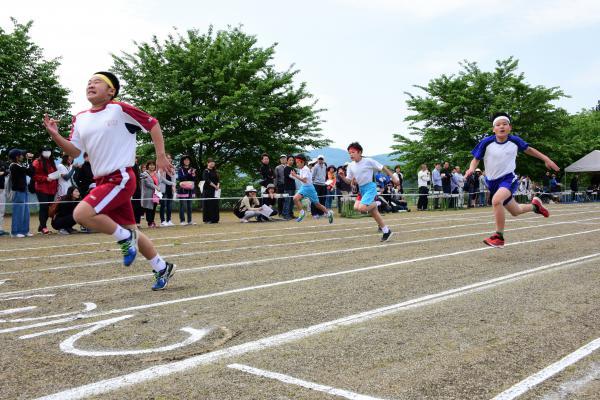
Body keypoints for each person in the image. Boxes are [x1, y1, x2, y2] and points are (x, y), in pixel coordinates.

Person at [43, 71, 175, 290]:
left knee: (81, 214)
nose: (90, 84)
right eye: (88, 82)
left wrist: (160, 155)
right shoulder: (80, 117)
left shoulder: (120, 109)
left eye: (97, 82)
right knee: (132, 230)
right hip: (102, 180)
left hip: (121, 177)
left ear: (111, 91)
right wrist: (56, 136)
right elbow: (75, 151)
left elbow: (153, 123)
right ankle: (162, 266)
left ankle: (125, 238)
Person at [464, 112, 559, 248]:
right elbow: (476, 159)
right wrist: (471, 169)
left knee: (496, 201)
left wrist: (546, 159)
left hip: (508, 178)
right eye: (498, 125)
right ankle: (535, 206)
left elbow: (530, 150)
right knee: (516, 211)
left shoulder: (515, 141)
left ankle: (499, 237)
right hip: (492, 182)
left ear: (510, 127)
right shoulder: (486, 142)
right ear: (493, 129)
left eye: (504, 124)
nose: (501, 127)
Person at [338, 142, 399, 241]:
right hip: (361, 189)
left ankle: (375, 204)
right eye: (349, 153)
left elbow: (383, 168)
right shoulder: (350, 165)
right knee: (357, 208)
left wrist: (393, 178)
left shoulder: (368, 161)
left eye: (353, 152)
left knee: (362, 208)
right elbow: (349, 181)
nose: (351, 155)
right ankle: (386, 231)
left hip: (370, 187)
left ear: (360, 152)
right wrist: (342, 176)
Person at [290, 154, 334, 224]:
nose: (296, 164)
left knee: (317, 204)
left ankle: (328, 213)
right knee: (295, 198)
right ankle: (302, 212)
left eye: (297, 162)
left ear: (302, 162)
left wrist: (295, 175)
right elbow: (303, 180)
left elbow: (304, 180)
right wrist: (295, 176)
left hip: (309, 188)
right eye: (296, 162)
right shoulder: (302, 169)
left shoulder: (305, 169)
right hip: (305, 187)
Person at [7, 149, 35, 238]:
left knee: (26, 212)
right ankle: (15, 232)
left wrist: (29, 161)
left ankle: (24, 230)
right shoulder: (14, 166)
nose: (23, 156)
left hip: (24, 191)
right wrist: (29, 160)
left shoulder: (20, 165)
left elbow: (31, 172)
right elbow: (28, 170)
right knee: (18, 212)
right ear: (17, 157)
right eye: (21, 155)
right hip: (18, 192)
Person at [32, 146, 59, 234]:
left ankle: (41, 226)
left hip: (52, 189)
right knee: (43, 207)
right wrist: (45, 178)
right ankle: (44, 227)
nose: (48, 152)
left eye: (49, 151)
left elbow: (55, 174)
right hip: (42, 188)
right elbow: (34, 176)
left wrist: (57, 177)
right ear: (42, 152)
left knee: (49, 208)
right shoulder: (37, 162)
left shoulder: (51, 162)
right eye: (45, 151)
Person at [177, 155, 196, 225]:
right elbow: (180, 179)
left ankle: (189, 220)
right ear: (183, 161)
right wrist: (188, 173)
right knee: (182, 205)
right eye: (185, 160)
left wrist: (193, 175)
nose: (187, 161)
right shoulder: (180, 169)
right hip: (182, 189)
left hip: (190, 189)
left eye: (188, 160)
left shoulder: (192, 169)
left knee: (189, 205)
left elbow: (193, 180)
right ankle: (182, 221)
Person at [141, 160, 160, 228]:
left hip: (155, 193)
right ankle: (149, 223)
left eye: (153, 165)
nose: (152, 166)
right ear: (148, 166)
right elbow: (148, 183)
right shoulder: (144, 174)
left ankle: (152, 221)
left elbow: (159, 182)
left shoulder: (156, 174)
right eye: (150, 165)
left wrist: (158, 188)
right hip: (148, 194)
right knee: (149, 208)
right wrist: (156, 187)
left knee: (154, 208)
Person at [158, 153, 175, 226]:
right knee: (163, 205)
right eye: (167, 158)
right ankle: (162, 221)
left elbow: (174, 179)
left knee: (169, 205)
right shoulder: (161, 168)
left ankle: (169, 220)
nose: (169, 159)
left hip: (170, 189)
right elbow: (161, 179)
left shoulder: (172, 168)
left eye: (170, 158)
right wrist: (171, 183)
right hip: (163, 189)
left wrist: (173, 186)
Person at [201, 158, 220, 224]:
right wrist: (215, 186)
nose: (212, 163)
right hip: (207, 190)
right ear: (208, 163)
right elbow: (207, 180)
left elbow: (218, 180)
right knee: (208, 204)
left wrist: (217, 186)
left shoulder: (215, 171)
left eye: (213, 162)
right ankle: (208, 219)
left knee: (215, 204)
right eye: (211, 162)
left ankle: (215, 219)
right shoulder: (205, 171)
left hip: (215, 191)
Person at [281, 155, 296, 220]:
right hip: (287, 188)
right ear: (287, 160)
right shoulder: (286, 168)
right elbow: (291, 176)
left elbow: (295, 177)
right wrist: (294, 175)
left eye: (292, 160)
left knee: (292, 202)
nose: (291, 161)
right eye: (290, 160)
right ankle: (285, 214)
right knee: (287, 201)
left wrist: (294, 175)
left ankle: (290, 214)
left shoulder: (293, 169)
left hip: (293, 187)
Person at [0, 157, 8, 236]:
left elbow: (7, 171)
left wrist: (3, 172)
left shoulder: (2, 162)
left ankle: (0, 229)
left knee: (1, 211)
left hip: (2, 189)